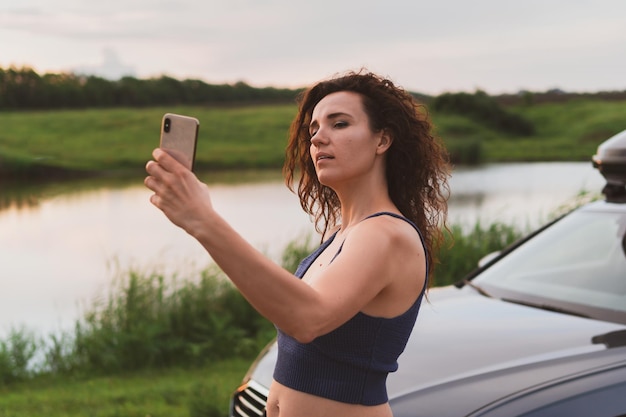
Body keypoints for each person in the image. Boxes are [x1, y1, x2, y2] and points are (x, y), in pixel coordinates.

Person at [144, 70, 450, 417]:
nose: (318, 138)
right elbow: (290, 307)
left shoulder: (388, 235)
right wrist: (198, 221)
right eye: (314, 129)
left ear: (382, 140)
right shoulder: (343, 234)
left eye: (340, 124)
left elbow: (306, 318)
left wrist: (203, 221)